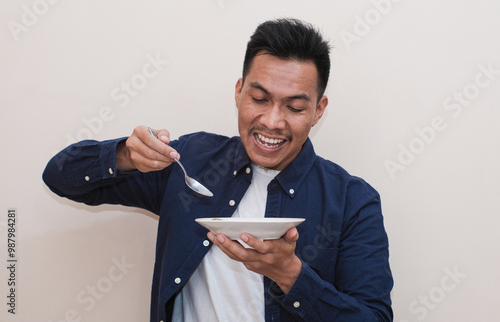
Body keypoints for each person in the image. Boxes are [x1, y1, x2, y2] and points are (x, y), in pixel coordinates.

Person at [43, 18, 393, 321]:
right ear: (239, 92)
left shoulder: (352, 201)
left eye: (295, 107)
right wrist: (124, 156)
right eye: (259, 99)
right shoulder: (190, 161)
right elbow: (59, 177)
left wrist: (291, 275)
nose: (272, 122)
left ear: (318, 110)